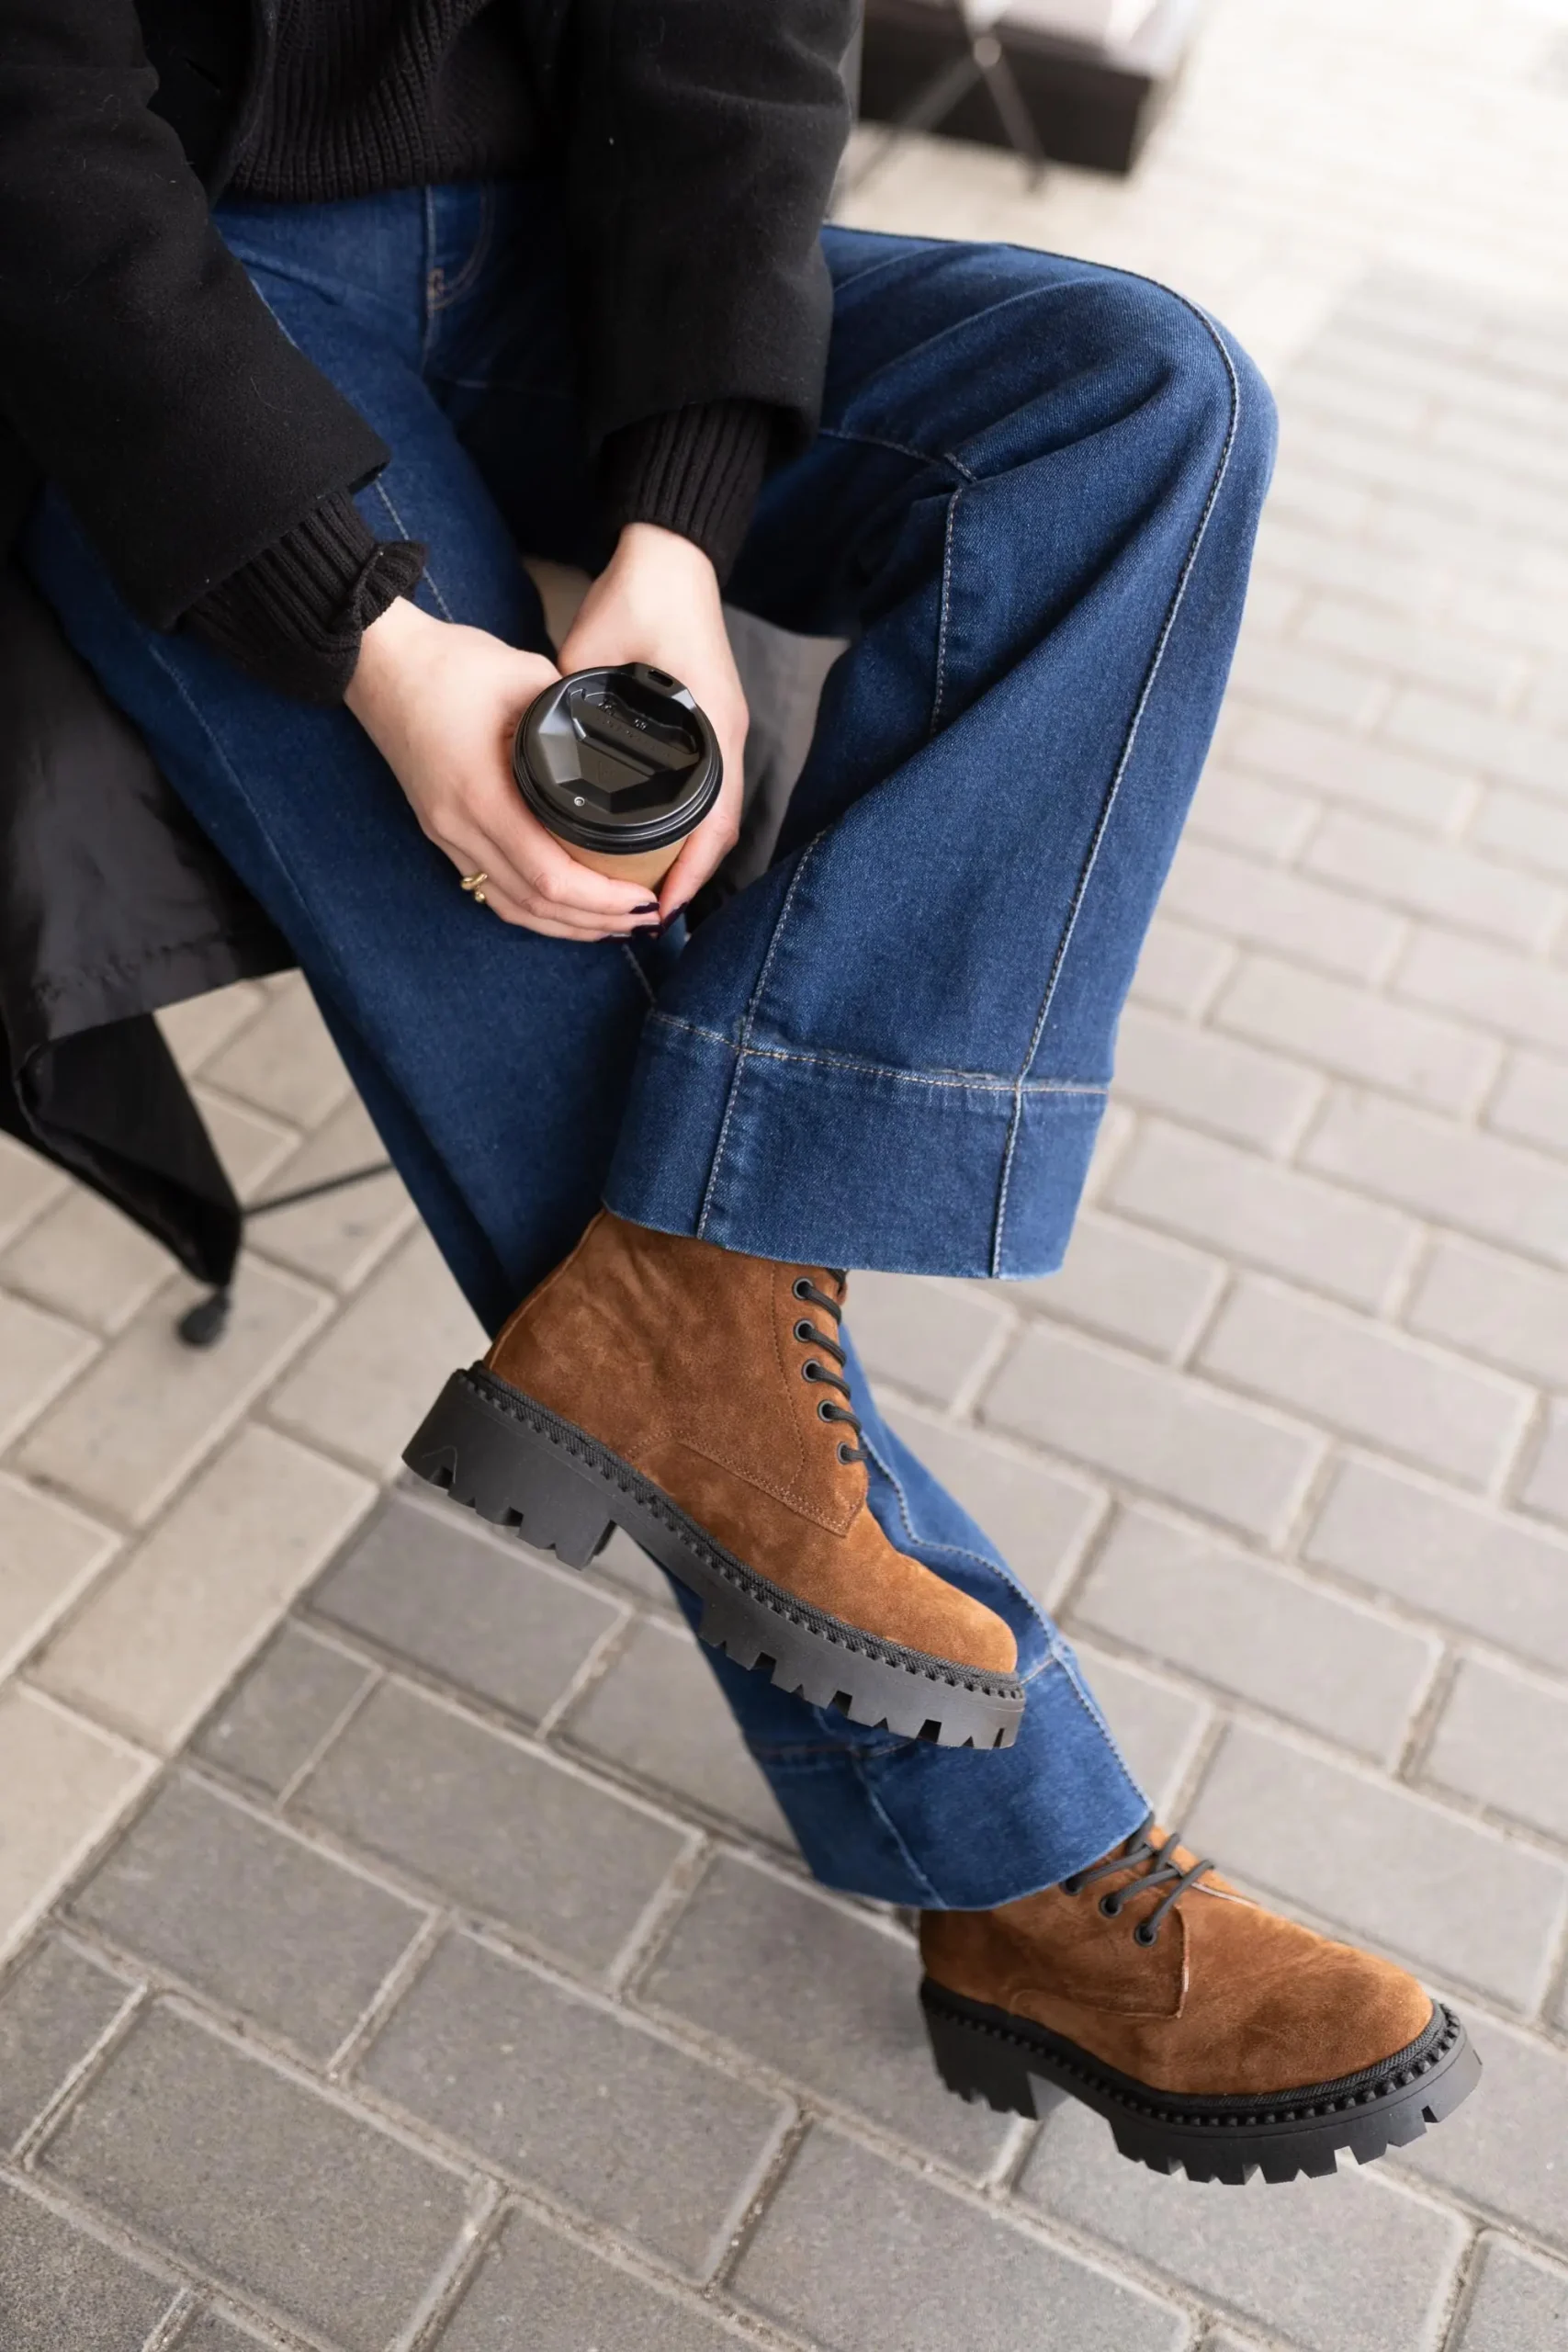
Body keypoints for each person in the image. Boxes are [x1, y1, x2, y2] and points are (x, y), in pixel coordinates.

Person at [1, 0, 1477, 2183]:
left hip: (551, 256)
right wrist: (381, 648)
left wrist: (672, 540)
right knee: (528, 905)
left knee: (1143, 399)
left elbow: (734, 36)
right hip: (170, 304)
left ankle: (691, 1283)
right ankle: (1035, 1877)